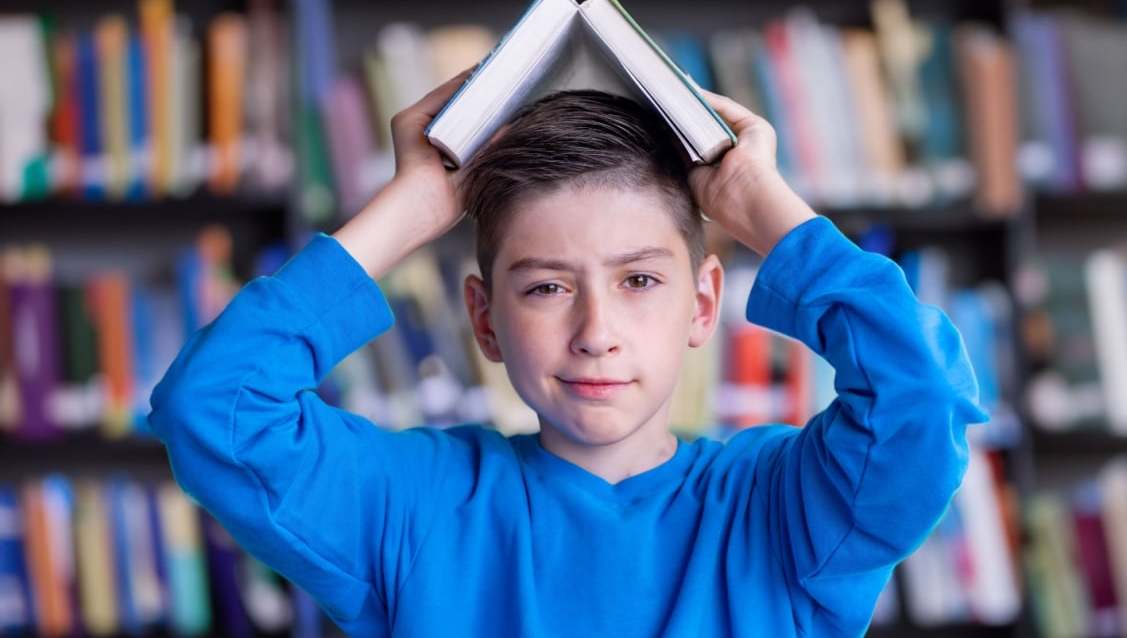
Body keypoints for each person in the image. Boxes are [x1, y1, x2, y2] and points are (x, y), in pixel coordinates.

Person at [148, 67, 988, 637]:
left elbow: (920, 398)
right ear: (483, 319)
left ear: (703, 303)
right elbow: (213, 407)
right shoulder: (414, 506)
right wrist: (412, 204)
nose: (595, 330)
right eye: (547, 286)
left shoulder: (785, 510)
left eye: (639, 281)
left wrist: (756, 197)